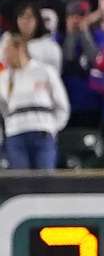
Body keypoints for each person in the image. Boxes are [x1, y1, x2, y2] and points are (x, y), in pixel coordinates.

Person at [0, 31, 70, 169]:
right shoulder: (3, 78)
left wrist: (52, 128)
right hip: (16, 135)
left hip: (42, 133)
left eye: (7, 51)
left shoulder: (45, 71)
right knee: (21, 182)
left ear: (19, 48)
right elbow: (3, 108)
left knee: (45, 182)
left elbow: (62, 105)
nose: (4, 56)